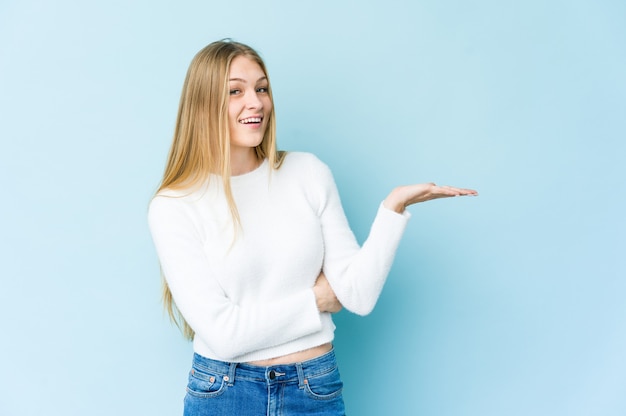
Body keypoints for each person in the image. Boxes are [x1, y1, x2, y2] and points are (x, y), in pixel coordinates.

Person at [148, 39, 477, 416]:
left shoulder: (307, 173)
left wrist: (392, 209)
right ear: (203, 105)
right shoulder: (174, 206)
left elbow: (357, 294)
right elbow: (224, 335)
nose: (255, 102)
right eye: (235, 91)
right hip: (226, 393)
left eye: (262, 88)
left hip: (314, 388)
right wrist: (316, 301)